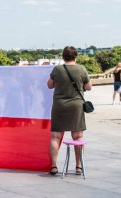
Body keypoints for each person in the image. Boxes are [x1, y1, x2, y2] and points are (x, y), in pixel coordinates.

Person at [47, 46, 92, 175]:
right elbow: (88, 87)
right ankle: (78, 166)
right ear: (75, 56)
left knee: (55, 137)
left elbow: (49, 85)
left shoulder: (57, 69)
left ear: (63, 57)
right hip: (76, 106)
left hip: (59, 105)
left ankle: (54, 166)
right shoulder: (81, 69)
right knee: (78, 136)